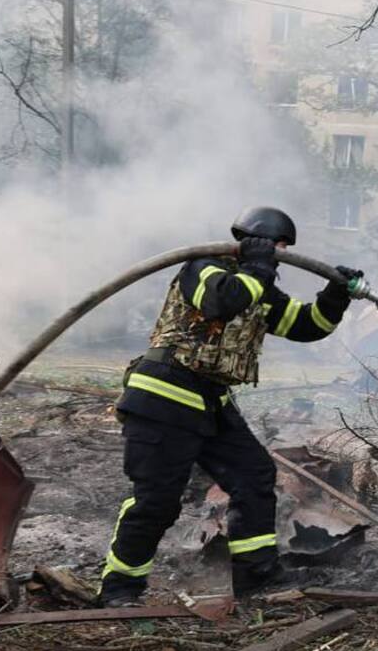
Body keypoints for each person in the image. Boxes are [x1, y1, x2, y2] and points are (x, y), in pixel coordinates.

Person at [98, 206, 363, 607]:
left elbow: (306, 326)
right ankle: (119, 590)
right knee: (157, 500)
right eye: (276, 245)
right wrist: (257, 267)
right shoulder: (202, 267)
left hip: (210, 400)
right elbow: (223, 301)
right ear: (252, 241)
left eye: (284, 248)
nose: (281, 253)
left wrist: (335, 294)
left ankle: (258, 578)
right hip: (165, 395)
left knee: (253, 476)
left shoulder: (260, 286)